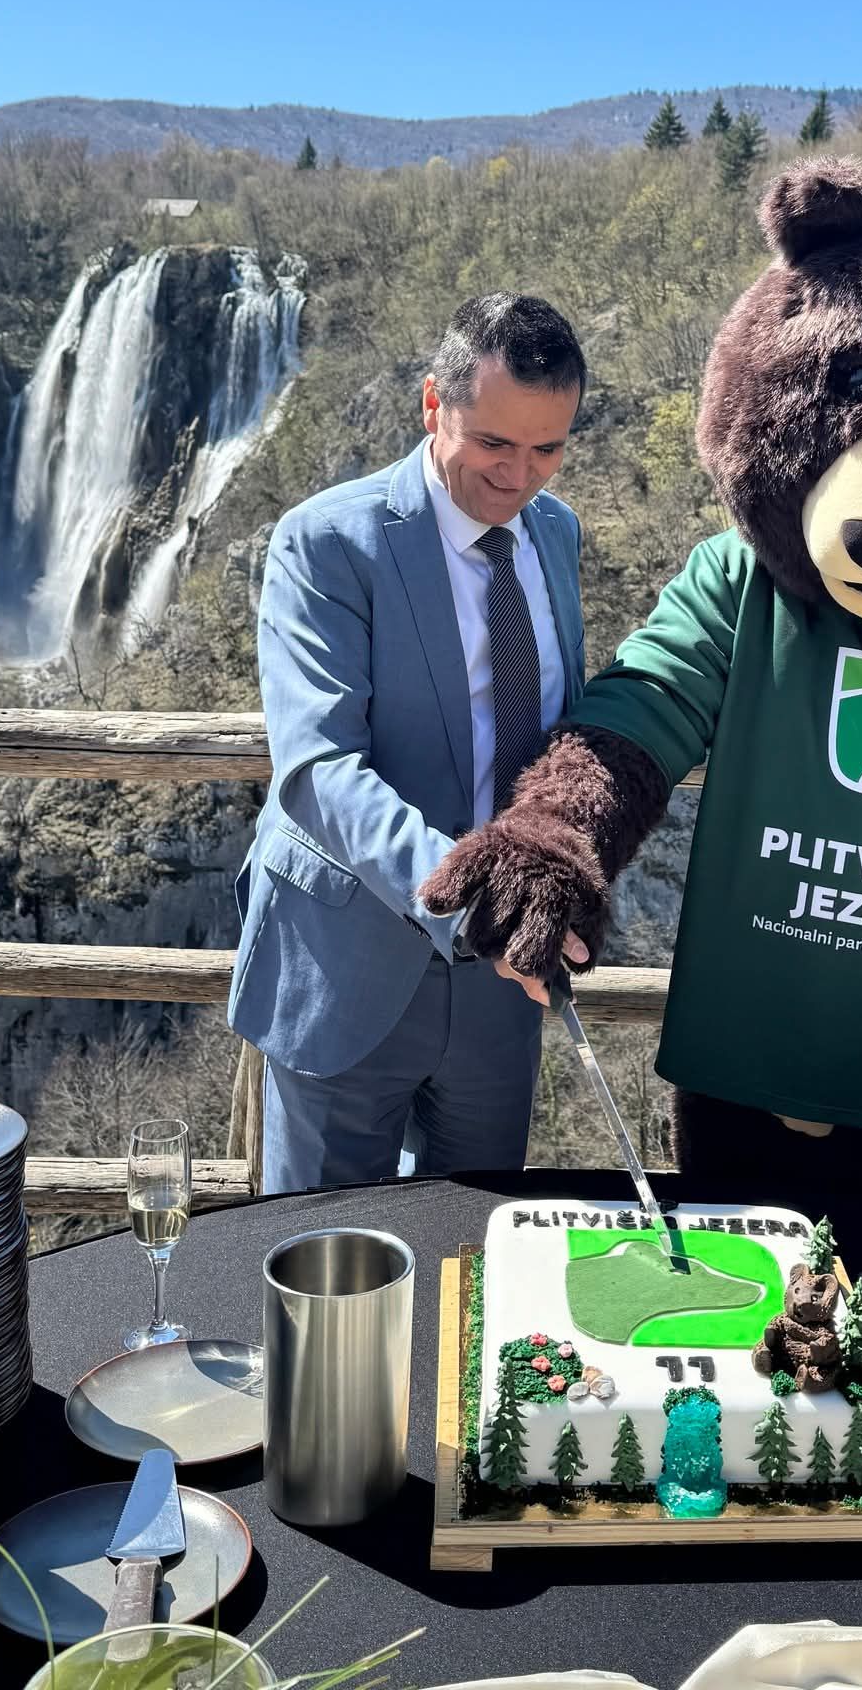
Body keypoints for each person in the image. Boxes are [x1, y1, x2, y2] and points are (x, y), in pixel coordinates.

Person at [227, 292, 587, 1192]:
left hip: (500, 990)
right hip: (345, 966)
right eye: (494, 443)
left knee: (476, 1245)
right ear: (434, 404)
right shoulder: (325, 542)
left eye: (547, 449)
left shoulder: (557, 533)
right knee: (324, 1252)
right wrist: (466, 897)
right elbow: (318, 769)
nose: (520, 476)